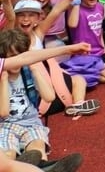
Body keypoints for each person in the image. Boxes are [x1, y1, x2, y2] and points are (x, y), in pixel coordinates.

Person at [0, 29, 85, 171]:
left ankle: (37, 164)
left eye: (20, 56)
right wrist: (3, 81)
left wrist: (34, 70)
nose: (17, 61)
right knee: (8, 154)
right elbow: (3, 112)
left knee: (38, 149)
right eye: (12, 57)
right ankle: (43, 168)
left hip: (31, 122)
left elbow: (49, 97)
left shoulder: (27, 72)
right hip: (5, 125)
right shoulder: (2, 77)